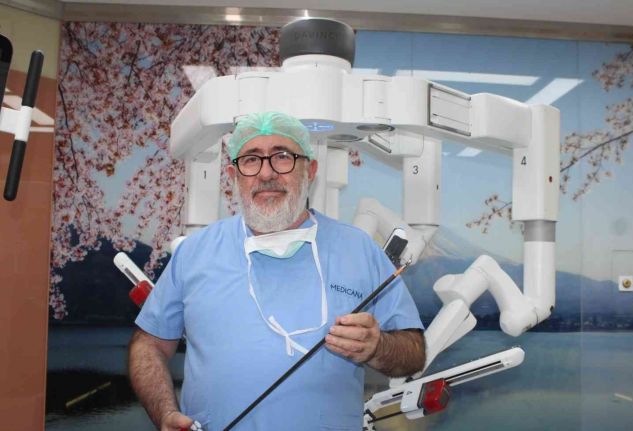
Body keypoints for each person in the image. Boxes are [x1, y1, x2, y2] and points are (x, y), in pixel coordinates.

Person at [128, 111, 426, 431]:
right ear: (234, 175)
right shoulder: (195, 253)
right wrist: (165, 414)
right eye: (251, 159)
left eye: (283, 157)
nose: (266, 173)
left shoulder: (359, 250)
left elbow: (414, 352)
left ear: (310, 170)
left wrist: (378, 347)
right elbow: (148, 345)